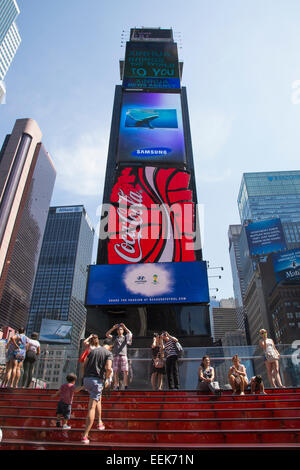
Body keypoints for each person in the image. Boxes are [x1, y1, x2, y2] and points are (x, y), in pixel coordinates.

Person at [81, 342, 113, 444]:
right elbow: (109, 368)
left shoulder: (92, 351)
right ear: (110, 347)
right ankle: (85, 435)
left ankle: (99, 422)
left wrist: (83, 378)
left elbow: (83, 365)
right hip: (97, 381)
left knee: (98, 399)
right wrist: (106, 379)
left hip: (87, 380)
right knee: (91, 407)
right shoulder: (108, 354)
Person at [106, 323, 132, 390]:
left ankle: (125, 385)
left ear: (122, 331)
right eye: (118, 330)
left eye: (120, 329)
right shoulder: (115, 337)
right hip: (116, 355)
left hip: (123, 355)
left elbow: (130, 334)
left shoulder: (125, 337)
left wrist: (125, 327)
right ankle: (116, 385)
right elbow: (107, 335)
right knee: (115, 371)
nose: (119, 331)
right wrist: (113, 328)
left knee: (125, 370)